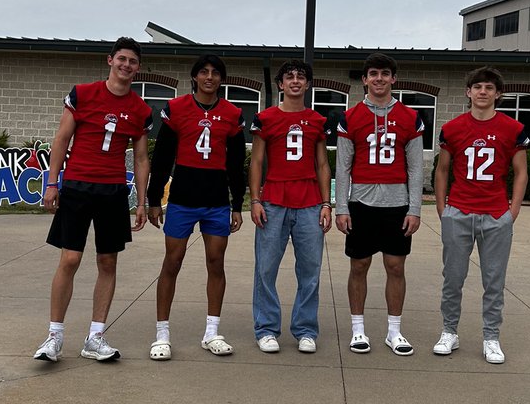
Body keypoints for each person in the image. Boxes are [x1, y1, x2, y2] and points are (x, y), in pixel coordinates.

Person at [33, 37, 152, 364]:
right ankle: (54, 336)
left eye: (132, 62)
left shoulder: (140, 109)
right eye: (122, 59)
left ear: (137, 68)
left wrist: (141, 201)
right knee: (69, 259)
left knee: (107, 262)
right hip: (77, 186)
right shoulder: (83, 94)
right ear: (110, 60)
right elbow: (61, 138)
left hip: (112, 190)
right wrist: (51, 182)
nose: (126, 65)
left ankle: (95, 336)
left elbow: (141, 159)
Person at [146, 54, 246, 360]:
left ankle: (211, 332)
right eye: (203, 72)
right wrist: (154, 199)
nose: (209, 77)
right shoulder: (176, 109)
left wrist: (237, 204)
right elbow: (162, 156)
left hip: (216, 200)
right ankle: (162, 334)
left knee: (216, 263)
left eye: (215, 72)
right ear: (194, 77)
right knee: (172, 262)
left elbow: (235, 163)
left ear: (221, 79)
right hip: (183, 199)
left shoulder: (231, 113)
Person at [433, 66, 529, 364]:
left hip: (495, 213)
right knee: (453, 277)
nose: (483, 92)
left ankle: (491, 337)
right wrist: (442, 209)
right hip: (459, 210)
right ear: (468, 92)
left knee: (494, 280)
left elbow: (521, 172)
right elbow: (442, 169)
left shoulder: (513, 128)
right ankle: (450, 331)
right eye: (477, 87)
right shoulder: (453, 127)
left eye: (489, 87)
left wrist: (512, 210)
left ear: (498, 93)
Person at [335, 53, 424, 355]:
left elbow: (415, 168)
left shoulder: (410, 117)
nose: (379, 79)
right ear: (364, 79)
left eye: (385, 73)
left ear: (393, 78)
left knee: (395, 266)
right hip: (361, 201)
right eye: (373, 73)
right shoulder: (350, 117)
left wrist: (415, 208)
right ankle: (358, 329)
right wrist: (341, 207)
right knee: (359, 265)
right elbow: (342, 167)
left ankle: (394, 331)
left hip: (396, 203)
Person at [249, 61, 332, 353]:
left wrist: (326, 203)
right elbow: (257, 160)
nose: (295, 81)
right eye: (289, 77)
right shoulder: (265, 118)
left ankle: (306, 329)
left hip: (309, 202)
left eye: (301, 77)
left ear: (307, 84)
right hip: (273, 200)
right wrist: (256, 199)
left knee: (310, 270)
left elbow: (322, 163)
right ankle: (267, 328)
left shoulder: (318, 121)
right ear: (280, 84)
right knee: (266, 269)